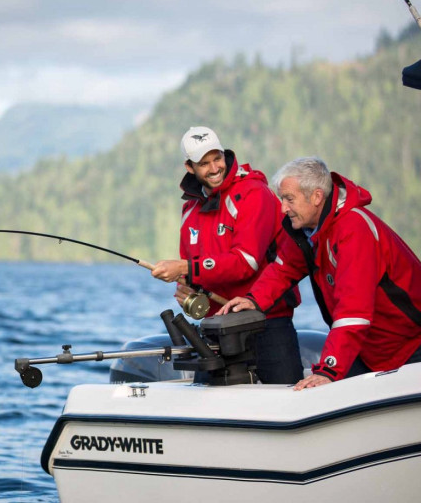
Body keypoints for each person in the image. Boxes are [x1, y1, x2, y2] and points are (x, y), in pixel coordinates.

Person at [220, 156, 421, 390]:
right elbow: (283, 270)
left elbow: (353, 312)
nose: (283, 207)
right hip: (368, 349)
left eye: (289, 199)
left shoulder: (354, 230)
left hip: (410, 347)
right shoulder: (307, 230)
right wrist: (252, 301)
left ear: (316, 197)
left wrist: (329, 370)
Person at [150, 126, 303, 384]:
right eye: (204, 163)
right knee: (204, 412)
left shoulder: (255, 193)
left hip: (267, 324)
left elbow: (246, 262)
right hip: (215, 330)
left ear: (224, 154)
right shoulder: (190, 208)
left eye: (217, 159)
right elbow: (193, 271)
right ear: (189, 167)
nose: (214, 168)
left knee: (285, 405)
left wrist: (186, 268)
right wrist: (186, 292)